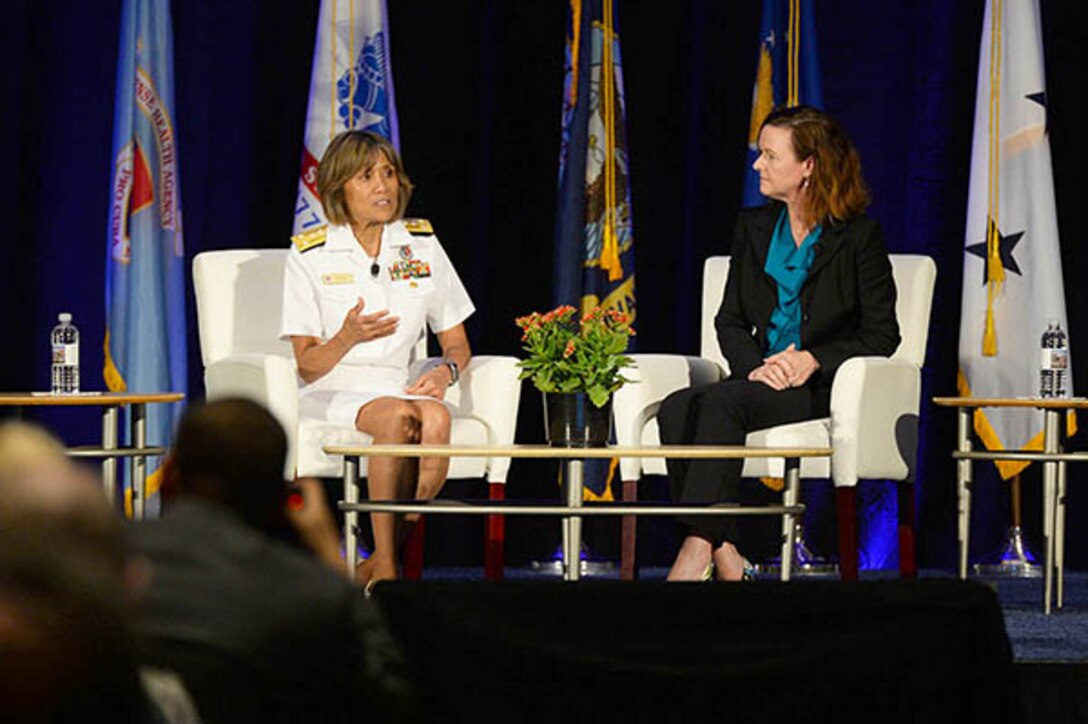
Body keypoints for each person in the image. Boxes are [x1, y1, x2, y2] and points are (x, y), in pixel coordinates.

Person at [658, 105, 900, 581]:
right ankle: (725, 554)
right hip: (759, 380)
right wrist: (754, 367)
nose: (757, 165)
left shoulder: (859, 237)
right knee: (674, 406)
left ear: (808, 165)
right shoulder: (753, 228)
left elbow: (882, 335)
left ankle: (696, 548)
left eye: (770, 155)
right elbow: (729, 320)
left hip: (820, 387)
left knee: (721, 405)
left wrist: (812, 359)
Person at [129, 398, 416, 722]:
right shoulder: (314, 596)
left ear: (168, 477)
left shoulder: (103, 565)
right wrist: (330, 557)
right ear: (282, 497)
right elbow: (388, 704)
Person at [280, 130, 474, 589]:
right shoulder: (309, 253)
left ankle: (370, 566)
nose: (382, 187)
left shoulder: (421, 245)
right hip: (329, 386)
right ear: (338, 187)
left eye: (387, 174)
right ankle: (387, 565)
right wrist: (346, 336)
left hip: (393, 382)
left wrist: (444, 374)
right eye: (366, 177)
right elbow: (307, 364)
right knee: (401, 418)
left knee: (435, 420)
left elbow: (458, 344)